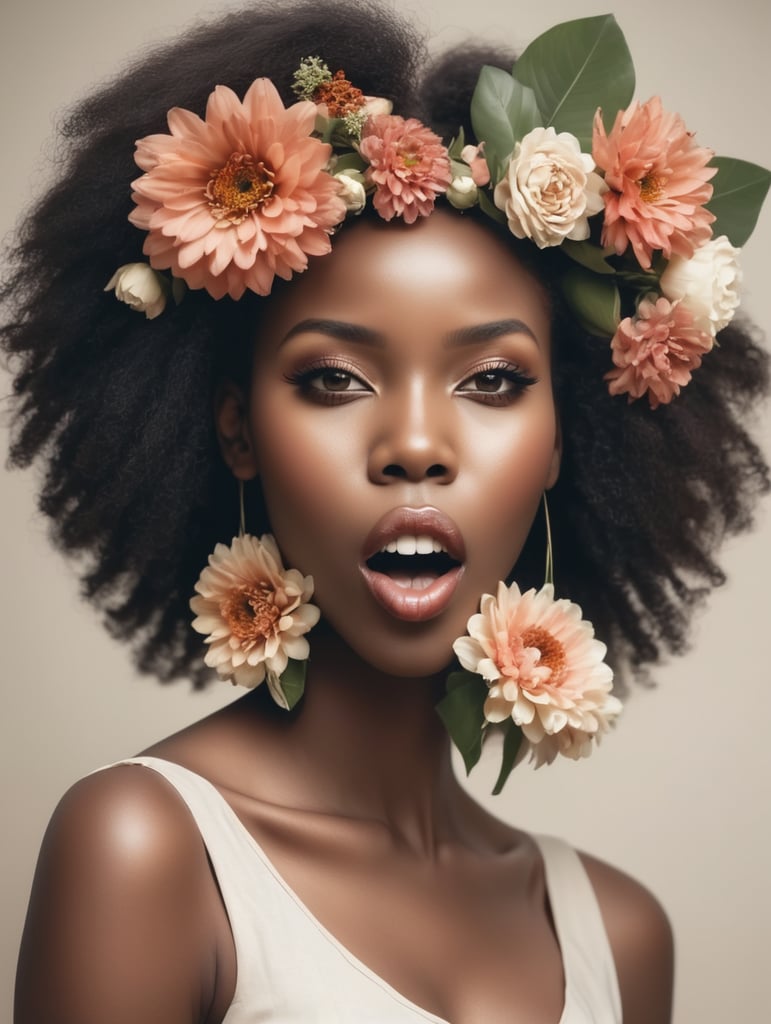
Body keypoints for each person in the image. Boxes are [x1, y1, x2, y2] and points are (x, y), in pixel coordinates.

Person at [3, 2, 768, 1022]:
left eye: (493, 379)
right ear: (236, 431)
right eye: (333, 379)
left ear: (562, 444)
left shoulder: (621, 937)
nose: (415, 443)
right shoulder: (148, 851)